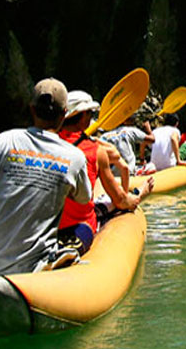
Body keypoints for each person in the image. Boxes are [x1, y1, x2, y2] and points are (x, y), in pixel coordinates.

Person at [0, 78, 92, 275]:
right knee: (85, 231)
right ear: (64, 113)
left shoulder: (5, 140)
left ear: (32, 109)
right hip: (36, 268)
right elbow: (84, 198)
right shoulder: (75, 157)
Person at [57, 90, 154, 257]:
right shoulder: (97, 150)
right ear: (83, 116)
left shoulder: (43, 144)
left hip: (46, 227)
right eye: (90, 113)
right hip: (80, 226)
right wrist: (141, 192)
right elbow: (121, 201)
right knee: (115, 202)